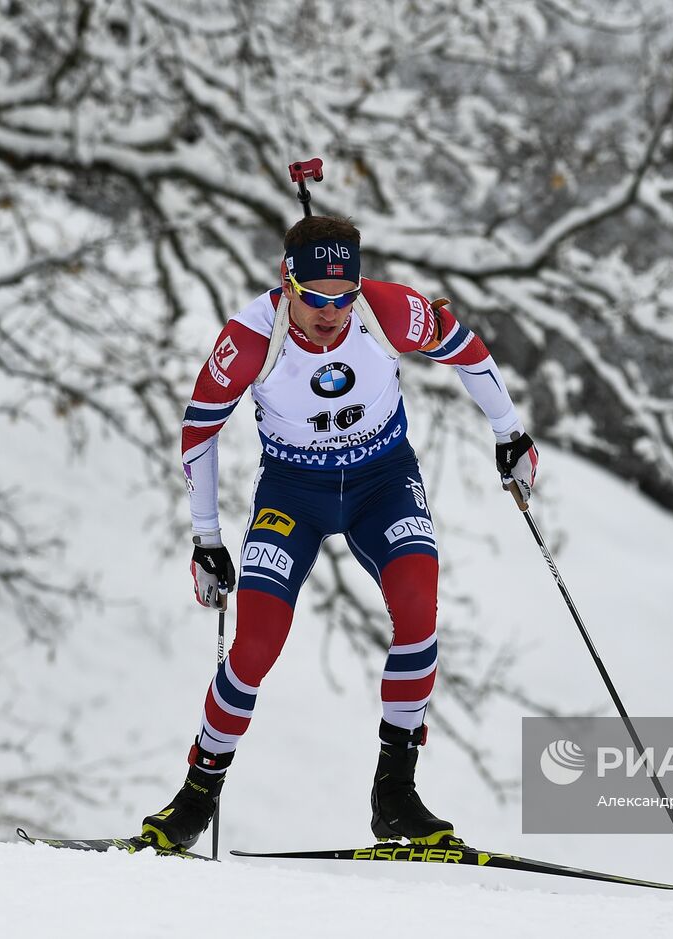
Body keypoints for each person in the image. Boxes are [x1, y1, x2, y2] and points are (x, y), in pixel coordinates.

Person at [141, 215, 539, 851]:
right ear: (287, 282)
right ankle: (196, 797)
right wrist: (206, 538)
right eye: (316, 297)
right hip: (294, 495)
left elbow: (466, 348)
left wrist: (508, 433)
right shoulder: (250, 338)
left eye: (344, 296)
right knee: (257, 642)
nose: (331, 313)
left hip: (383, 481)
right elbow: (199, 430)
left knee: (418, 607)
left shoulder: (388, 310)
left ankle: (396, 796)